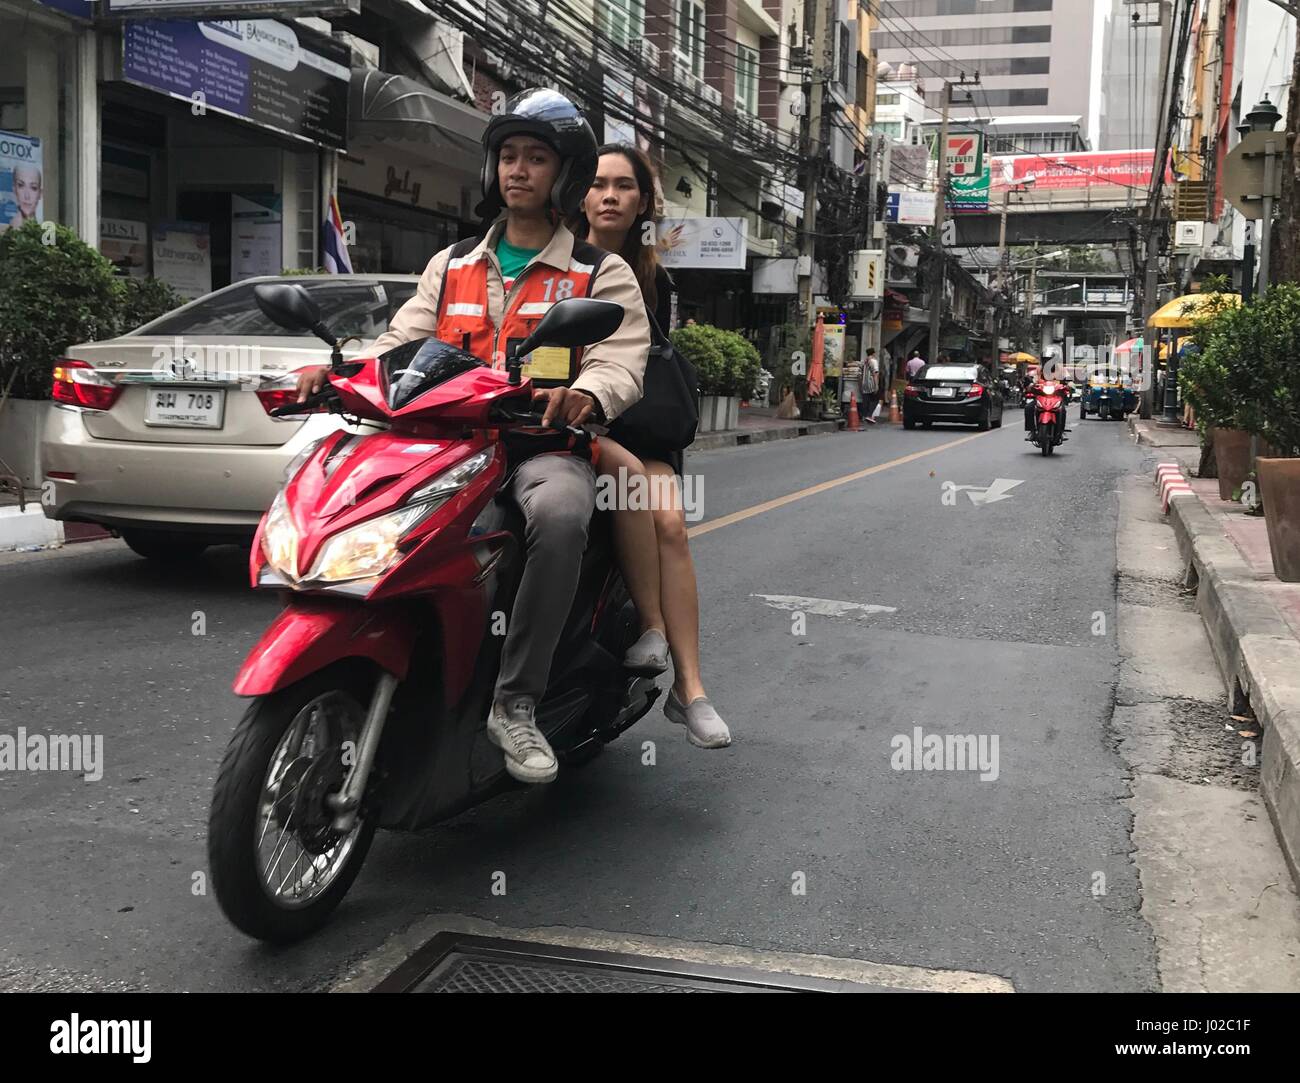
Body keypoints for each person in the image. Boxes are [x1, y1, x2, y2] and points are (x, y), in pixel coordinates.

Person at [295, 89, 652, 785]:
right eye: (509, 157)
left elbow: (621, 358)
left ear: (565, 174)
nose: (518, 171)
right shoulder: (451, 262)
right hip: (443, 443)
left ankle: (515, 701)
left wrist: (584, 394)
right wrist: (336, 370)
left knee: (560, 512)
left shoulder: (597, 271)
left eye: (537, 158)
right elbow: (402, 342)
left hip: (536, 447)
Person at [572, 143, 731, 748]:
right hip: (565, 428)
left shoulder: (650, 277)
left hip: (636, 432)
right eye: (598, 183)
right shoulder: (555, 261)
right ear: (580, 194)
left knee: (670, 519)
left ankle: (687, 687)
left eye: (624, 186)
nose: (609, 195)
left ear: (643, 202)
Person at [860, 347, 881, 424]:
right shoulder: (873, 361)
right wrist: (876, 385)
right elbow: (875, 373)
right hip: (871, 383)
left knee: (866, 400)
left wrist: (861, 384)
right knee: (875, 399)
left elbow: (860, 373)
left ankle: (864, 416)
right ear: (873, 353)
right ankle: (869, 415)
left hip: (864, 383)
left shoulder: (863, 361)